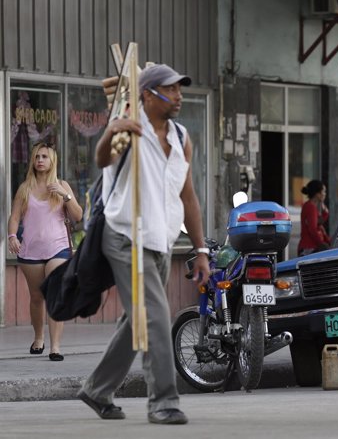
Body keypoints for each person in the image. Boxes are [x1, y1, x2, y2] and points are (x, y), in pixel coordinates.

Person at [77, 64, 210, 425]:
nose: (179, 96)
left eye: (181, 89)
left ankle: (97, 389)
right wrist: (111, 131)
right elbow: (102, 159)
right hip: (125, 236)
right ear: (148, 95)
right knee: (154, 316)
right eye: (172, 89)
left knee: (137, 320)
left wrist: (201, 250)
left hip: (162, 240)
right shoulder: (129, 131)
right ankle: (163, 400)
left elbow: (188, 197)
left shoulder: (182, 137)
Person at [7, 142, 83, 362]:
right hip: (31, 251)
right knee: (37, 297)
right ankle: (39, 337)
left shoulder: (62, 186)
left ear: (52, 162)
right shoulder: (25, 188)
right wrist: (12, 236)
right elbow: (14, 217)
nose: (40, 160)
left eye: (45, 157)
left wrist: (65, 196)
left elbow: (78, 217)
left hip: (58, 249)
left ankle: (55, 347)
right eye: (37, 157)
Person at [297, 179, 330, 256]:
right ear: (318, 194)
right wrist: (321, 244)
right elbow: (313, 229)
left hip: (311, 247)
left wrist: (324, 210)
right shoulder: (310, 207)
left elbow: (320, 222)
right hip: (309, 248)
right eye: (323, 192)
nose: (325, 194)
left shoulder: (312, 206)